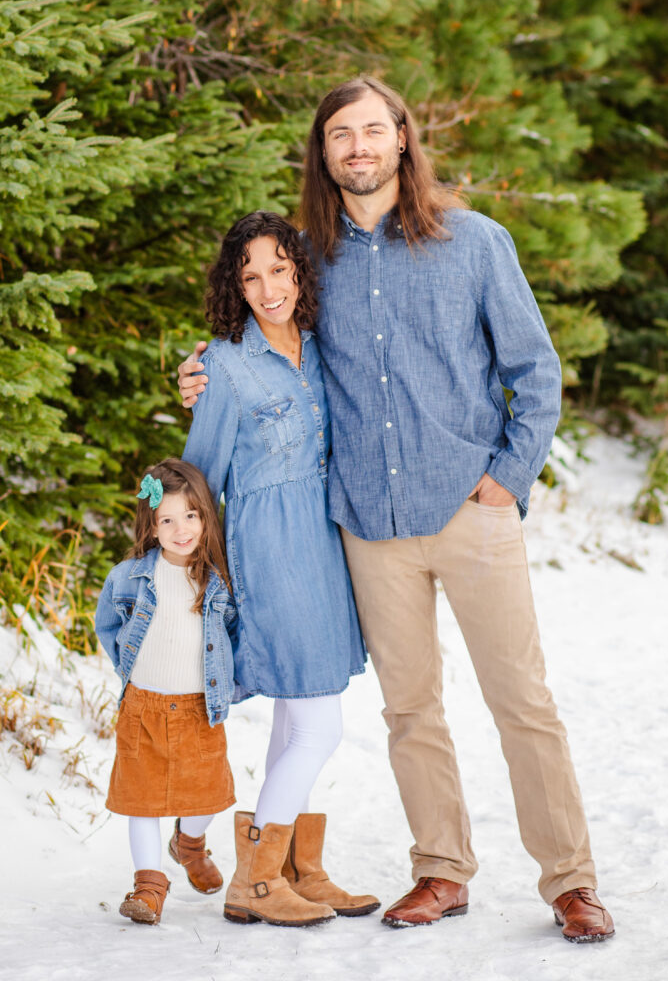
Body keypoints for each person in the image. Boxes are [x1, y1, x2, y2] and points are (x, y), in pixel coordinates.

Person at [179, 78, 614, 943]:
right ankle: (440, 870)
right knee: (410, 710)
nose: (358, 146)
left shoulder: (474, 242)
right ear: (325, 153)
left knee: (521, 701)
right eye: (340, 134)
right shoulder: (307, 260)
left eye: (372, 129)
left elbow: (535, 371)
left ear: (403, 139)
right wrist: (199, 368)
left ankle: (569, 881)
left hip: (468, 508)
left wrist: (505, 479)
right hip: (368, 529)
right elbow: (256, 335)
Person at [181, 211, 379, 927]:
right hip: (268, 549)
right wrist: (168, 550)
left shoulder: (322, 347)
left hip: (325, 543)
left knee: (300, 718)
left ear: (299, 272)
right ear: (235, 286)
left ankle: (302, 869)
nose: (267, 287)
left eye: (278, 269)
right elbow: (197, 476)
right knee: (320, 725)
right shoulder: (225, 365)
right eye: (250, 274)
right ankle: (256, 882)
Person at [95, 458, 237, 926]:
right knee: (142, 800)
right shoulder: (130, 576)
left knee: (207, 798)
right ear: (152, 526)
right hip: (143, 707)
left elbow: (232, 633)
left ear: (205, 518)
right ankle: (149, 886)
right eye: (168, 520)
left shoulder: (216, 580)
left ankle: (189, 842)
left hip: (199, 709)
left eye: (191, 516)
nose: (181, 530)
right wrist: (130, 671)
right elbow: (109, 625)